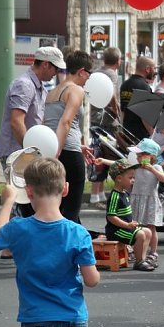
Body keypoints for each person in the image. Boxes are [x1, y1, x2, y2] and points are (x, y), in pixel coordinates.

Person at [0, 158, 100, 327]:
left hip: (36, 321)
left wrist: (9, 200)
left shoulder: (19, 228)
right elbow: (92, 280)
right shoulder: (79, 233)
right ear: (66, 189)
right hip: (73, 319)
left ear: (28, 192)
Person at [0, 46, 64, 259]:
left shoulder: (38, 86)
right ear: (45, 64)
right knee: (18, 198)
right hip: (18, 152)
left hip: (25, 150)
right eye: (55, 68)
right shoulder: (24, 85)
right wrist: (30, 152)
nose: (57, 73)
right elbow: (17, 122)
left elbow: (35, 122)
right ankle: (8, 244)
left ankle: (10, 246)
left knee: (22, 199)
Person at [43, 50, 95, 224]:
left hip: (52, 149)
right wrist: (58, 152)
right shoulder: (76, 90)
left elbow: (49, 123)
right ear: (81, 71)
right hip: (68, 153)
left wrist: (53, 152)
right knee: (72, 209)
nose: (88, 79)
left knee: (57, 207)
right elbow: (65, 122)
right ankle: (67, 248)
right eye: (88, 74)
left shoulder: (52, 92)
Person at [102, 158, 155, 271]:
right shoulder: (115, 196)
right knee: (140, 235)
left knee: (148, 232)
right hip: (116, 230)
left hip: (126, 228)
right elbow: (111, 216)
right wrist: (127, 225)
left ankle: (142, 258)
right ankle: (139, 261)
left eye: (134, 178)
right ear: (119, 179)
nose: (133, 180)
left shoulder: (125, 193)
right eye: (130, 178)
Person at [89, 47, 122, 206]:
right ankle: (95, 196)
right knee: (105, 156)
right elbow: (112, 95)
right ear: (118, 61)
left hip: (95, 118)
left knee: (98, 155)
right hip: (106, 121)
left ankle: (99, 194)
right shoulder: (112, 74)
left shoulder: (96, 72)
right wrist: (116, 112)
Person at [128, 138, 164, 268]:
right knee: (137, 226)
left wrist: (152, 169)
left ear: (150, 156)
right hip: (137, 200)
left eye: (141, 155)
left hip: (150, 200)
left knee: (151, 227)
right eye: (137, 155)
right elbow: (119, 165)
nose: (138, 158)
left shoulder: (156, 167)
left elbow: (163, 179)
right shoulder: (136, 168)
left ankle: (153, 252)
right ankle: (137, 250)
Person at [120, 56, 156, 141]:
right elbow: (145, 116)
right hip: (141, 135)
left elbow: (123, 111)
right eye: (154, 68)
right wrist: (153, 135)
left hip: (127, 132)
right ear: (147, 69)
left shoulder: (125, 84)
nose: (155, 71)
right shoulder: (143, 86)